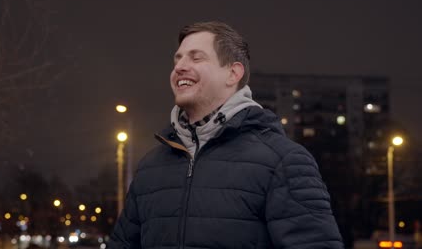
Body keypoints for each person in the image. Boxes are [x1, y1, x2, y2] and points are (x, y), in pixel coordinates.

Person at [109, 21, 344, 249]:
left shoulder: (283, 161)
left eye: (196, 57)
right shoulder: (151, 167)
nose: (179, 66)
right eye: (177, 58)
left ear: (233, 74)